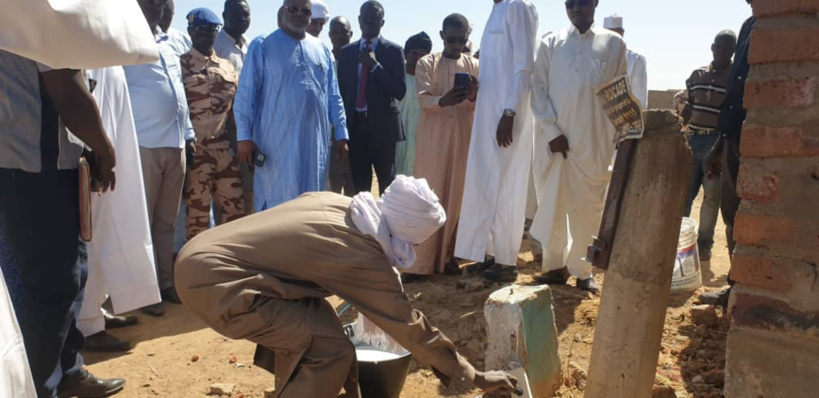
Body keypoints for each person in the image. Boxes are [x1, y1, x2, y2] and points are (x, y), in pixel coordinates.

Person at [175, 176, 520, 397]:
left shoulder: (345, 206)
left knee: (317, 322)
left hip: (202, 255)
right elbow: (408, 325)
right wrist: (474, 375)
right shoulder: (362, 253)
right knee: (329, 350)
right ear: (410, 232)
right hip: (214, 282)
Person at [0, 49, 123, 397]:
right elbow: (67, 91)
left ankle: (67, 372)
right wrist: (104, 148)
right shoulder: (38, 20)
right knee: (52, 287)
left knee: (70, 277)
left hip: (36, 165)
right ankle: (42, 388)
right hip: (33, 168)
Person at [529, 0, 628, 293]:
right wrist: (551, 131)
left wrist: (618, 135)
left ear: (595, 3)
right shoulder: (550, 43)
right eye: (570, 4)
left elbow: (618, 92)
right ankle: (553, 267)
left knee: (589, 209)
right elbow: (538, 90)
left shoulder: (613, 44)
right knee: (553, 204)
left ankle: (584, 271)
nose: (575, 9)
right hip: (554, 144)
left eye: (582, 3)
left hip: (594, 143)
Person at [78, 66, 162, 353]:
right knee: (90, 230)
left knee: (113, 223)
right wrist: (97, 149)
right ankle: (87, 325)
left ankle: (97, 309)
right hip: (93, 144)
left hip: (115, 132)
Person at [235, 0, 349, 212]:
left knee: (312, 203)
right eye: (293, 9)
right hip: (276, 145)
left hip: (315, 144)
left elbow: (334, 95)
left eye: (305, 11)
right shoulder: (263, 45)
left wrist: (341, 133)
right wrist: (244, 136)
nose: (299, 14)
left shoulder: (321, 49)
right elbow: (245, 95)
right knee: (277, 205)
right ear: (283, 11)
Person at [455, 0, 539, 281]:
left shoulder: (519, 6)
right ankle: (489, 254)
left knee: (506, 185)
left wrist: (510, 111)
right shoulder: (496, 10)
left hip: (507, 115)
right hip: (488, 112)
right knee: (485, 182)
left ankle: (506, 261)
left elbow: (524, 68)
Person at [125, 0, 197, 316]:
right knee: (141, 224)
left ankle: (165, 283)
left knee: (166, 222)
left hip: (175, 144)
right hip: (143, 144)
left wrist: (189, 135)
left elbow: (179, 92)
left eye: (158, 3)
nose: (154, 7)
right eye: (148, 2)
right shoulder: (124, 40)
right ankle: (144, 292)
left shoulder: (171, 42)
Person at [402, 15, 479, 282]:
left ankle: (449, 257)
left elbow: (477, 104)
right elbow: (424, 100)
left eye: (461, 40)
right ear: (442, 36)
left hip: (462, 137)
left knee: (456, 196)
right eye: (451, 39)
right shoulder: (427, 63)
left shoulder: (473, 65)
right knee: (427, 196)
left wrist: (472, 95)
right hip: (432, 140)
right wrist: (443, 100)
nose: (456, 45)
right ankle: (418, 263)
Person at [700, 0, 756, 307]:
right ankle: (738, 286)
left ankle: (750, 289)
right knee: (733, 214)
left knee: (751, 219)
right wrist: (721, 143)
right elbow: (736, 92)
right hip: (735, 137)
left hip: (760, 140)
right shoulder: (750, 24)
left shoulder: (777, 22)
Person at [180, 8, 245, 241]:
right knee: (197, 219)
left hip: (225, 150)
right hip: (196, 152)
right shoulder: (181, 65)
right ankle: (198, 261)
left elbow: (237, 109)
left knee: (235, 213)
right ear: (190, 31)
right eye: (199, 29)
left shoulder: (227, 66)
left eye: (210, 29)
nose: (205, 34)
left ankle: (231, 258)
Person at [338, 1, 407, 194]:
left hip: (383, 129)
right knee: (360, 188)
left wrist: (374, 66)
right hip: (356, 128)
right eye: (366, 17)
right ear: (359, 20)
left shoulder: (394, 51)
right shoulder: (347, 52)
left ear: (382, 22)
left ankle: (387, 216)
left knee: (387, 186)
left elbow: (400, 91)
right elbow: (341, 93)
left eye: (375, 18)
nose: (369, 21)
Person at [680, 31, 736, 262]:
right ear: (712, 48)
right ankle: (678, 240)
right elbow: (688, 108)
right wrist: (678, 129)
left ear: (733, 51)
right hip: (693, 141)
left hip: (717, 145)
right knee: (684, 194)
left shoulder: (734, 79)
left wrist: (722, 148)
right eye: (719, 47)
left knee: (712, 198)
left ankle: (704, 245)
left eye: (728, 48)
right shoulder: (697, 75)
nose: (722, 52)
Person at [215, 0, 253, 213]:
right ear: (224, 16)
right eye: (237, 14)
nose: (243, 19)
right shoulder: (216, 44)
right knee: (228, 188)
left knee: (249, 188)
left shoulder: (250, 45)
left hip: (249, 128)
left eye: (246, 15)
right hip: (225, 130)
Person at [394, 32, 433, 177]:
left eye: (423, 54)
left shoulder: (431, 81)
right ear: (406, 53)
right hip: (397, 139)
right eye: (415, 53)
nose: (418, 58)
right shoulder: (395, 77)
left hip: (422, 139)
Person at [327, 16, 357, 196]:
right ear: (329, 35)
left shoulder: (360, 61)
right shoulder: (324, 59)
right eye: (335, 33)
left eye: (343, 33)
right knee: (333, 186)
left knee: (354, 188)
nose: (339, 37)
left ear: (351, 34)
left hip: (356, 132)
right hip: (330, 133)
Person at [603, 14, 648, 108]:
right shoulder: (595, 59)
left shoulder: (635, 60)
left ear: (622, 34)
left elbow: (639, 99)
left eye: (616, 34)